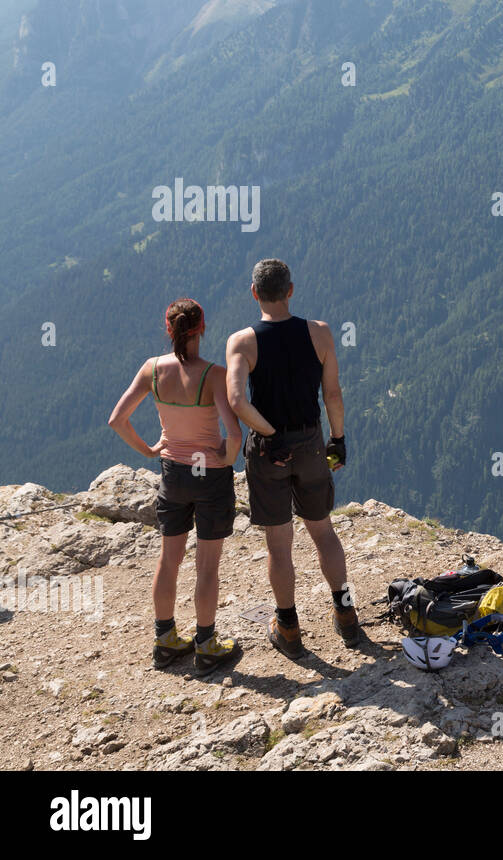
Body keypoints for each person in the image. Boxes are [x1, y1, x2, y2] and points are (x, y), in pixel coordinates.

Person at [225, 259, 356, 658]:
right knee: (323, 532)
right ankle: (346, 615)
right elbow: (332, 395)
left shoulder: (242, 341)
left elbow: (235, 401)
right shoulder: (319, 333)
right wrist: (338, 439)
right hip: (312, 444)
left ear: (254, 293)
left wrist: (267, 434)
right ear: (291, 290)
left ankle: (288, 627)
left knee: (279, 545)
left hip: (269, 454)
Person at [108, 298, 241, 672]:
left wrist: (150, 451)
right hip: (209, 476)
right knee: (207, 566)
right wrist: (227, 457)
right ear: (201, 328)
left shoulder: (152, 370)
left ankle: (165, 641)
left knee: (169, 560)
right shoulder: (214, 374)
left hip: (173, 473)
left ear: (169, 329)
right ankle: (206, 645)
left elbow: (117, 419)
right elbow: (234, 436)